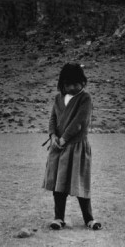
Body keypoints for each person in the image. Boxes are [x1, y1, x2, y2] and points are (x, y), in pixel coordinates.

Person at [43, 63, 102, 231]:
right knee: (58, 183)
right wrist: (53, 136)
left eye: (77, 83)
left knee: (80, 182)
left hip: (77, 147)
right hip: (58, 147)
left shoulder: (85, 98)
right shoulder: (58, 98)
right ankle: (58, 218)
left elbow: (79, 122)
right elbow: (53, 119)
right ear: (63, 83)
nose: (74, 87)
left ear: (83, 82)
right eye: (69, 84)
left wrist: (63, 139)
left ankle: (89, 219)